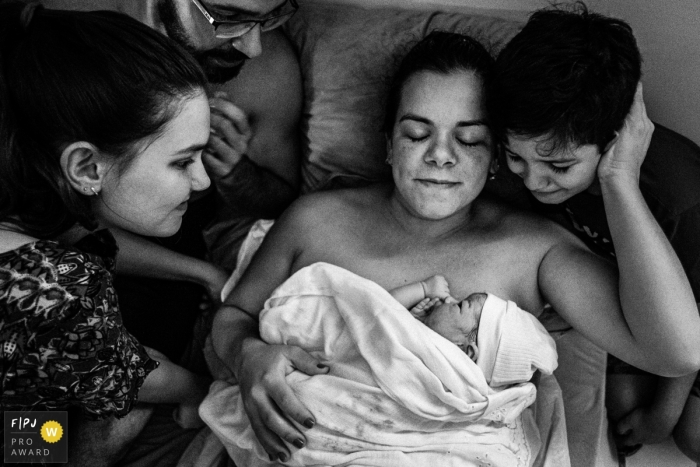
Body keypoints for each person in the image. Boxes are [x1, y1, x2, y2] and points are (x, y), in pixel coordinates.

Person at [210, 30, 700, 464]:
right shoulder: (314, 220)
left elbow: (677, 353)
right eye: (417, 133)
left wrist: (619, 180)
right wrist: (248, 354)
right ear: (387, 143)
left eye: (467, 140)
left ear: (494, 159)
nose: (440, 155)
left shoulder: (534, 250)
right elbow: (234, 315)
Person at [25, 0, 304, 362]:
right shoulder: (55, 41)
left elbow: (281, 203)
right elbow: (45, 217)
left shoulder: (266, 71)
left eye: (271, 16)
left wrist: (236, 173)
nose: (254, 46)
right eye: (231, 18)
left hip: (167, 250)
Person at [0, 3, 212, 464]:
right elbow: (132, 373)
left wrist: (203, 274)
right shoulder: (58, 289)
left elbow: (77, 233)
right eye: (182, 161)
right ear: (86, 166)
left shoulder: (24, 193)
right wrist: (204, 388)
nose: (203, 181)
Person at [491, 3, 700, 462]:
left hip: (694, 304)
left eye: (560, 166)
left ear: (613, 140)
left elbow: (691, 329)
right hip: (630, 298)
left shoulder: (679, 198)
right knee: (622, 405)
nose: (533, 180)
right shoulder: (519, 169)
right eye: (516, 157)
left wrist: (665, 413)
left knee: (690, 433)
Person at [391, 275, 557, 382]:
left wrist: (423, 288)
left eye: (460, 305)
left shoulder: (442, 382)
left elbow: (377, 307)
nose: (448, 299)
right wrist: (416, 320)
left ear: (468, 352)